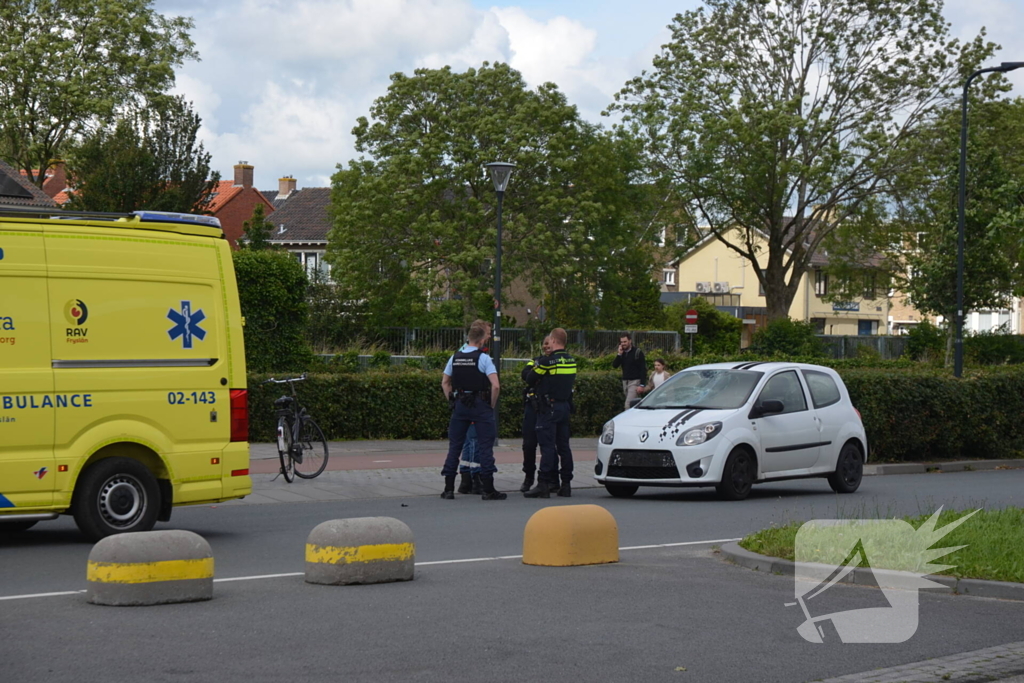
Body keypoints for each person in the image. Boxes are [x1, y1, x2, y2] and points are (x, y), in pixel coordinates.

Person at [440, 320, 506, 500]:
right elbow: (496, 386)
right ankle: (488, 489)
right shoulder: (483, 358)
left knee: (455, 447)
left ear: (469, 338)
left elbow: (445, 383)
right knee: (485, 447)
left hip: (461, 404)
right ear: (482, 339)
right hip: (480, 404)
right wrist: (490, 405)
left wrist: (452, 401)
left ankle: (448, 489)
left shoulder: (454, 357)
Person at [523, 328, 576, 498]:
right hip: (564, 407)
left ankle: (543, 484)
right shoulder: (571, 361)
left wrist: (540, 370)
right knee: (564, 447)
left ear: (553, 340)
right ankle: (566, 484)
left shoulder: (547, 362)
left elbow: (530, 378)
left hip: (548, 407)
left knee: (547, 447)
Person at [519, 335, 552, 493]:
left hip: (546, 407)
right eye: (544, 344)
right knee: (529, 444)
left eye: (549, 344)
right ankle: (528, 477)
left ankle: (550, 479)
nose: (546, 346)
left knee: (548, 445)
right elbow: (525, 374)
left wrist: (536, 376)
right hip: (532, 406)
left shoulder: (555, 361)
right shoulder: (535, 360)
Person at [612, 333, 646, 409]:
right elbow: (615, 365)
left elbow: (643, 368)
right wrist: (619, 354)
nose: (623, 344)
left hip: (635, 381)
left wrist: (642, 384)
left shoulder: (637, 352)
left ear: (630, 341)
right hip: (625, 381)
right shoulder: (622, 353)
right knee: (633, 406)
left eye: (625, 341)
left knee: (628, 405)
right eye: (622, 342)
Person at [456, 423, 481, 494]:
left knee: (468, 442)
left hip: (464, 415)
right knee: (475, 441)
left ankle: (466, 481)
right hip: (475, 415)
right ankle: (476, 480)